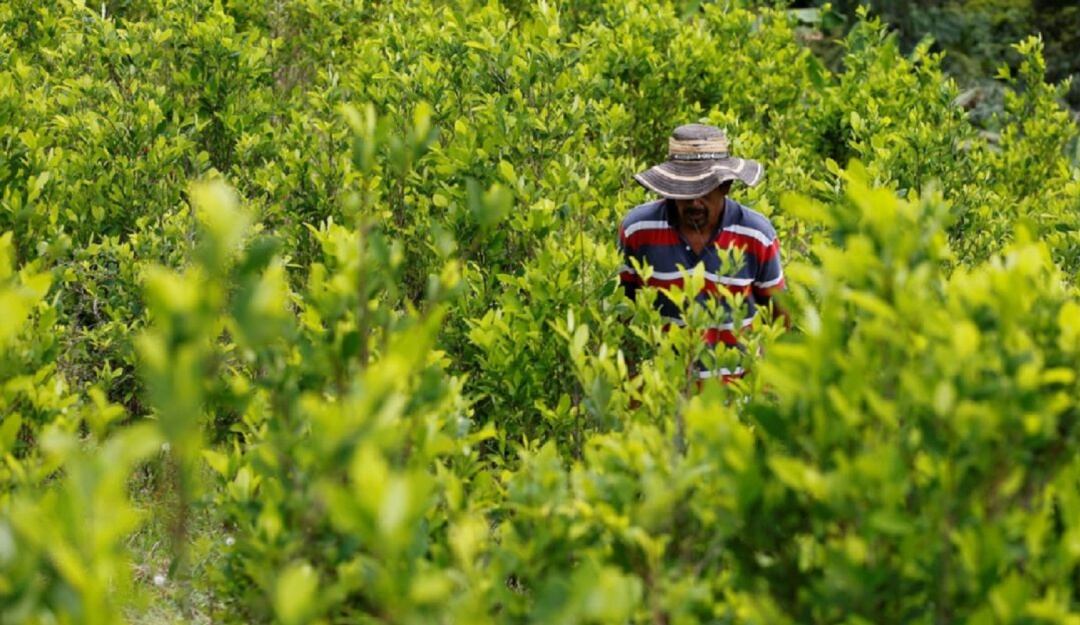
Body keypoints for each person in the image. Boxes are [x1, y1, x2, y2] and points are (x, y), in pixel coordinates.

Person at [618, 123, 785, 383]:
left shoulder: (755, 235)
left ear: (725, 186)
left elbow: (780, 318)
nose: (694, 202)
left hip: (735, 399)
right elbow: (624, 314)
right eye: (685, 191)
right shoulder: (639, 230)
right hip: (662, 395)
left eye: (705, 190)